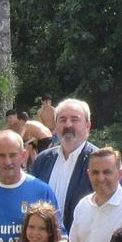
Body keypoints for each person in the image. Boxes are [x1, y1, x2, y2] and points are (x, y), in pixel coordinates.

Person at [30, 97, 94, 230]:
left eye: (75, 119)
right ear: (55, 125)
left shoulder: (97, 162)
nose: (68, 125)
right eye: (62, 120)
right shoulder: (42, 160)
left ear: (88, 125)